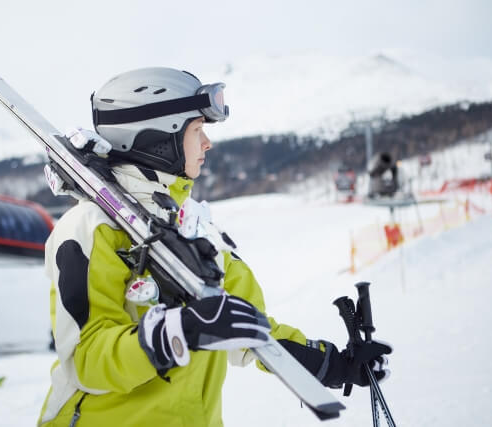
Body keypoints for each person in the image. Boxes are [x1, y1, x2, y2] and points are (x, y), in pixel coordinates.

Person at [38, 67, 392, 426]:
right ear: (160, 137)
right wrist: (180, 331)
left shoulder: (194, 230)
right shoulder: (91, 229)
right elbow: (87, 360)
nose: (208, 143)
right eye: (197, 130)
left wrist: (334, 364)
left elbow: (248, 329)